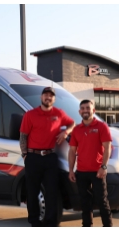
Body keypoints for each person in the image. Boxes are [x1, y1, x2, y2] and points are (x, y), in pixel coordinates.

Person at [20, 86, 75, 227]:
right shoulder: (30, 114)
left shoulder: (59, 113)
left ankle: (51, 223)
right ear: (41, 97)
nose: (48, 97)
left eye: (51, 95)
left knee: (52, 192)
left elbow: (72, 123)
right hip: (33, 157)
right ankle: (34, 222)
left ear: (54, 99)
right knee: (32, 193)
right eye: (45, 95)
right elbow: (23, 136)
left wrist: (66, 132)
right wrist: (25, 155)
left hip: (50, 157)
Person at [68, 99, 113, 227]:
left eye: (88, 108)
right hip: (81, 172)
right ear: (79, 111)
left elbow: (107, 148)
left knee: (102, 202)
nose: (85, 110)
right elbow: (72, 151)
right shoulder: (76, 130)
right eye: (83, 108)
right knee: (85, 203)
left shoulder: (101, 126)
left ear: (93, 110)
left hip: (97, 171)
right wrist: (71, 170)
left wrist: (103, 167)